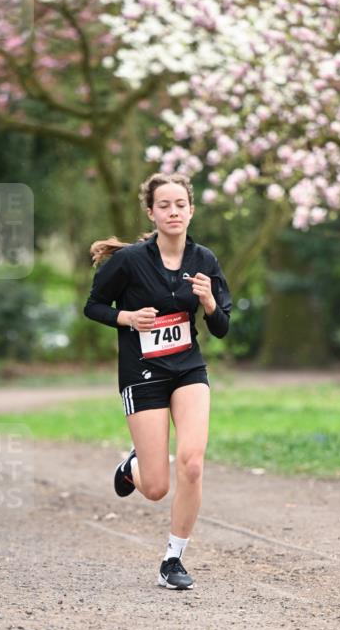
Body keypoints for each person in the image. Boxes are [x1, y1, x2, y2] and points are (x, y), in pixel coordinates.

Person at [84, 172, 232, 590]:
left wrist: (207, 302)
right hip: (142, 373)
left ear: (191, 210)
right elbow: (93, 306)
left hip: (187, 369)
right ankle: (133, 465)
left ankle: (173, 558)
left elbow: (221, 327)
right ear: (151, 212)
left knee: (192, 461)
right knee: (154, 487)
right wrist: (126, 317)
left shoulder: (204, 261)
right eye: (164, 205)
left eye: (180, 205)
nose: (173, 212)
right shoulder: (129, 261)